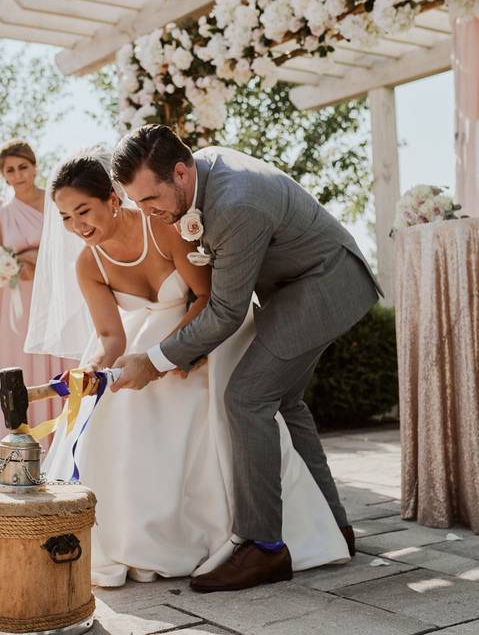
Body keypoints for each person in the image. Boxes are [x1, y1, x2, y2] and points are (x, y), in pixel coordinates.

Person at [37, 151, 349, 588]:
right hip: (143, 348)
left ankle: (246, 536)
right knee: (117, 410)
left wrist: (172, 356)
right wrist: (92, 369)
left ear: (112, 199)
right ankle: (139, 534)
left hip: (202, 332)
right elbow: (111, 338)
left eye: (83, 210)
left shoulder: (163, 229)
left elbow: (206, 299)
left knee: (235, 404)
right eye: (66, 218)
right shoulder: (88, 263)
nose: (77, 226)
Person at [110, 125, 381, 592]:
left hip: (326, 281)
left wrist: (153, 360)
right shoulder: (201, 173)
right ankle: (333, 527)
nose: (148, 214)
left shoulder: (237, 203)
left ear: (180, 171)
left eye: (151, 199)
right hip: (295, 287)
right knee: (283, 401)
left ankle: (263, 547)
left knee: (247, 397)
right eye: (138, 204)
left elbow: (228, 311)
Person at [0, 139, 69, 457]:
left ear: (35, 166)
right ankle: (24, 444)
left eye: (23, 167)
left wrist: (36, 257)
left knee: (58, 359)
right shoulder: (2, 216)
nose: (18, 174)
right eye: (11, 170)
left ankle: (62, 443)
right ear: (3, 175)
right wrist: (6, 268)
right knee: (23, 363)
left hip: (55, 291)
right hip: (20, 300)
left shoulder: (56, 201)